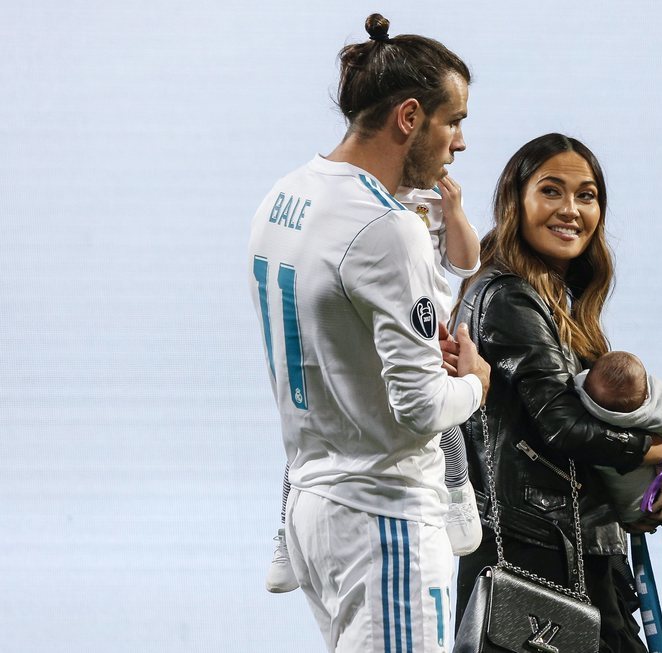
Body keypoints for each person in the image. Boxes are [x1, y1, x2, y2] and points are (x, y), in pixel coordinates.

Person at [247, 13, 490, 652]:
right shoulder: (390, 228)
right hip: (387, 524)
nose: (459, 142)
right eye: (453, 120)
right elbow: (420, 410)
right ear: (409, 117)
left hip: (314, 511)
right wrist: (474, 384)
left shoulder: (283, 197)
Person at [451, 133, 662, 653]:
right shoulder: (510, 295)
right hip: (544, 564)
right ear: (517, 201)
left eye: (587, 195)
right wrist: (657, 451)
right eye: (551, 191)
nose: (571, 210)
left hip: (565, 559)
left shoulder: (552, 298)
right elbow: (563, 425)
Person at [265, 177, 484, 593]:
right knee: (311, 431)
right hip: (355, 336)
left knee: (438, 421)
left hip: (418, 337)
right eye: (451, 124)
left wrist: (453, 210)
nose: (458, 143)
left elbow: (466, 262)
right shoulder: (346, 200)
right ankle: (286, 534)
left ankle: (457, 493)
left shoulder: (427, 200)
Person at [576, 351, 662, 524]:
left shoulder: (580, 395)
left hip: (604, 502)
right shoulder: (650, 411)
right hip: (641, 503)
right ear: (645, 396)